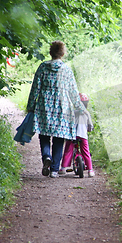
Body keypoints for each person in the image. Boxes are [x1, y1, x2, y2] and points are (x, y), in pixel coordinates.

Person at [26, 40, 88, 178]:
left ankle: (46, 157)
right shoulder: (67, 70)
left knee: (44, 135)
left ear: (50, 52)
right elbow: (73, 92)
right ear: (63, 53)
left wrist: (30, 106)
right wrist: (80, 108)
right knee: (59, 139)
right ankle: (54, 170)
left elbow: (35, 88)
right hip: (62, 107)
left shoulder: (42, 67)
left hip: (44, 106)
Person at [59, 93, 95, 177]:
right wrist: (89, 130)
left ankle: (63, 168)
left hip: (72, 135)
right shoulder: (87, 113)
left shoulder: (71, 112)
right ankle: (90, 170)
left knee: (68, 150)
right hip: (82, 135)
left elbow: (67, 123)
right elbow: (90, 126)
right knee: (86, 152)